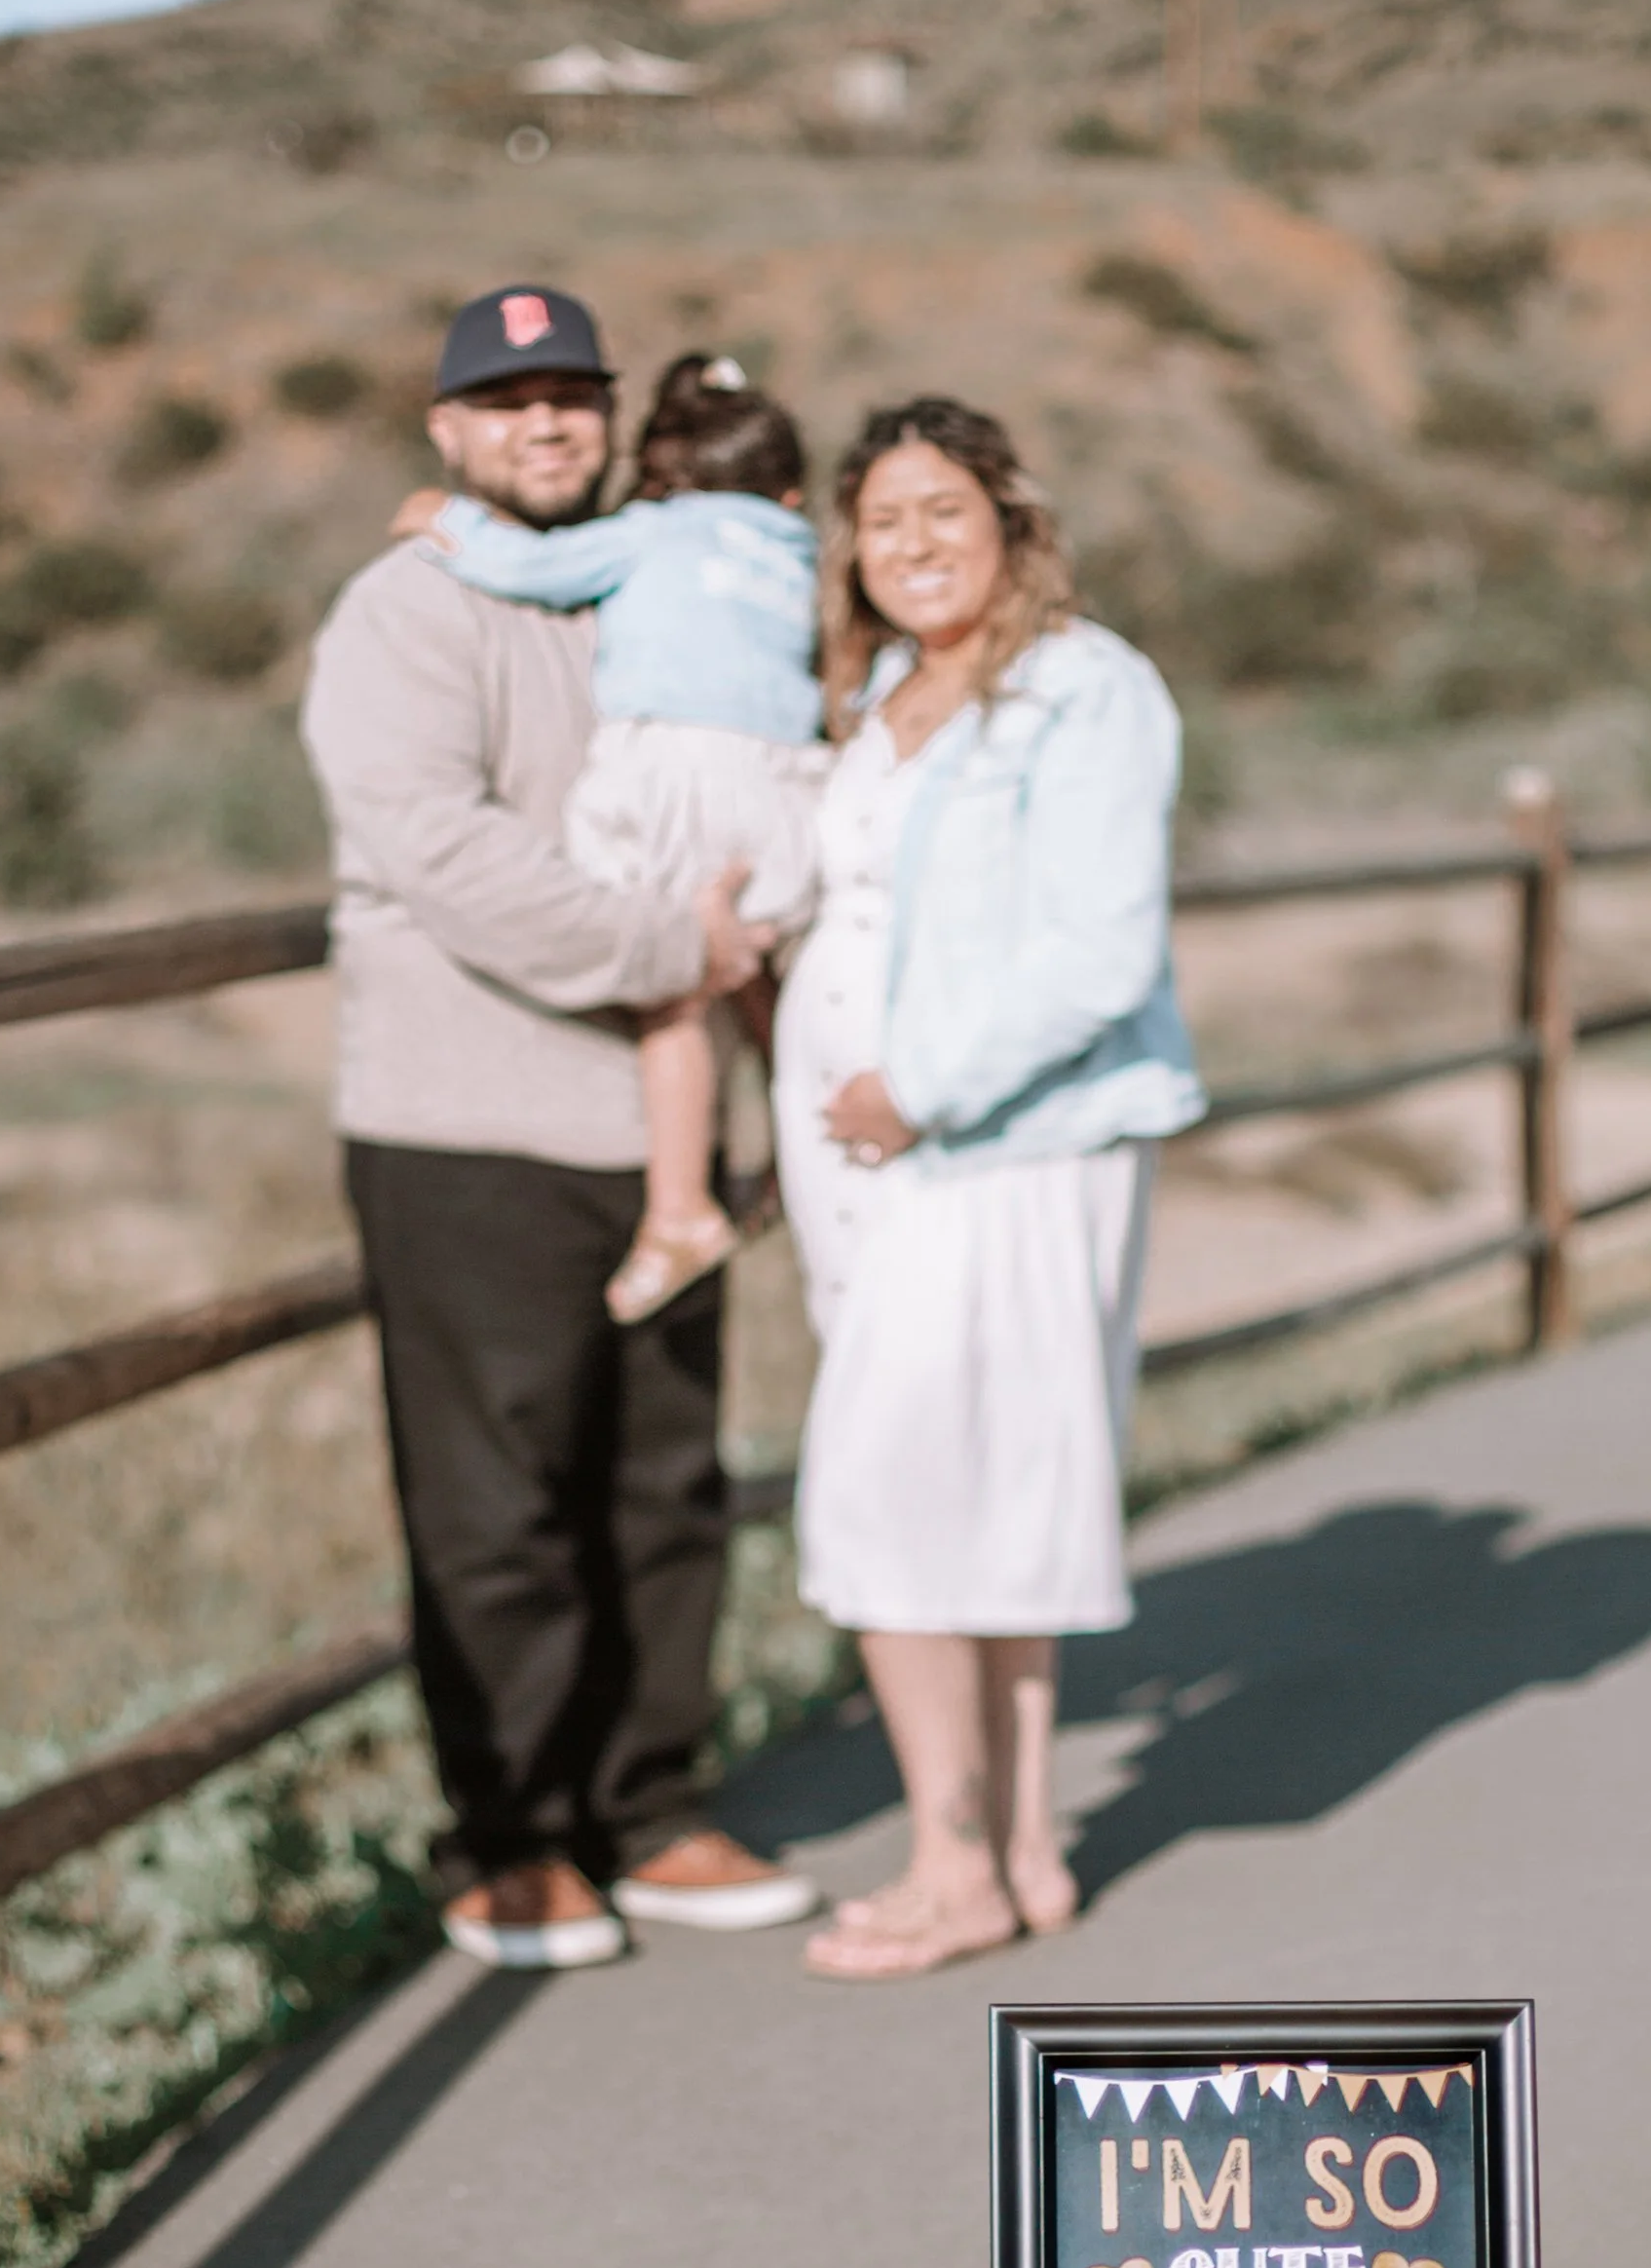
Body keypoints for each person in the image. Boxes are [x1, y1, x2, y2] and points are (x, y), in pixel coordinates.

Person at [300, 283, 819, 1970]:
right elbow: (436, 848)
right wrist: (677, 949)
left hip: (655, 1132)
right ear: (446, 430)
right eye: (505, 399)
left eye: (571, 395)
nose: (544, 423)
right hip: (471, 1125)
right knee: (498, 1494)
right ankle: (512, 1838)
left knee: (665, 1483)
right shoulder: (406, 610)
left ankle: (651, 1808)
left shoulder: (653, 579)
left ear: (612, 419)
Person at [774, 396, 1206, 1984]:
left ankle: (947, 1864)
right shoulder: (890, 684)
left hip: (999, 1148)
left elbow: (1097, 947)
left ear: (1011, 520)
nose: (914, 543)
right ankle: (1025, 1844)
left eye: (943, 510)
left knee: (886, 1499)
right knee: (983, 1492)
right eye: (883, 520)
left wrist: (921, 1085)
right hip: (877, 1164)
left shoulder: (1084, 688)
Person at [394, 352, 825, 1323]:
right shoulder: (797, 552)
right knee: (749, 968)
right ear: (789, 489)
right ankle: (806, 1135)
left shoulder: (650, 532)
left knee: (673, 982)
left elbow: (526, 565)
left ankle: (679, 1210)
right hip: (785, 784)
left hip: (677, 773)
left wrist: (440, 515)